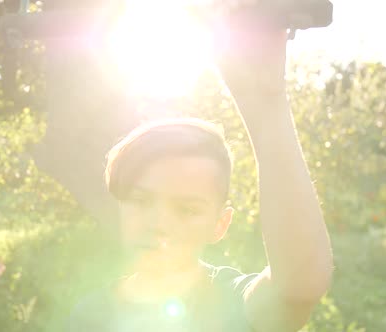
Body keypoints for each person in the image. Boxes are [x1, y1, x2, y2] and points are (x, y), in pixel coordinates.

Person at [66, 14, 334, 332]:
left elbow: (299, 288)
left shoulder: (233, 303)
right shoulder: (90, 317)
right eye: (141, 201)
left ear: (219, 225)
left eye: (187, 209)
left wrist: (266, 100)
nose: (159, 223)